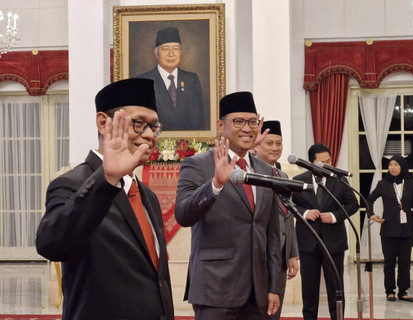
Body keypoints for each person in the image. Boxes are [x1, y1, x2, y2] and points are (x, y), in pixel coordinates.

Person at [36, 78, 174, 320]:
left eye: (154, 126)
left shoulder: (148, 196)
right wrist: (107, 180)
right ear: (103, 122)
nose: (150, 135)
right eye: (139, 124)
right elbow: (51, 244)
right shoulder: (73, 183)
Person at [175, 91, 282, 319]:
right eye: (238, 121)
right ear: (220, 125)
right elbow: (183, 215)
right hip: (215, 290)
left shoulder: (266, 171)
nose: (247, 128)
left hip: (258, 293)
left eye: (252, 122)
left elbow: (272, 234)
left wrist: (274, 286)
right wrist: (215, 184)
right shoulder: (197, 165)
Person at [292, 143, 359, 320]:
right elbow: (288, 204)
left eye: (328, 161)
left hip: (334, 242)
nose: (326, 165)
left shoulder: (339, 179)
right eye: (321, 162)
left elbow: (353, 205)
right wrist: (305, 213)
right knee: (309, 288)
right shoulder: (299, 179)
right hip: (308, 242)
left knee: (335, 287)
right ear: (311, 163)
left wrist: (334, 215)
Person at [253, 120, 299, 320]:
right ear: (257, 144)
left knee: (274, 313)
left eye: (278, 143)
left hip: (279, 259)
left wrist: (292, 254)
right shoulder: (252, 175)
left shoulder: (282, 176)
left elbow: (288, 218)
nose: (275, 148)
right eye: (269, 143)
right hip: (259, 260)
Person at [367, 155, 413, 302]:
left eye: (395, 164)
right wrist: (372, 215)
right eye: (390, 165)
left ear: (402, 166)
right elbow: (369, 199)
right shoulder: (383, 184)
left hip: (406, 230)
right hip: (388, 230)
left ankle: (403, 291)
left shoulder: (411, 184)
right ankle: (389, 291)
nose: (392, 167)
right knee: (389, 262)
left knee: (405, 262)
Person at [137, 27, 207, 131]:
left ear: (181, 52)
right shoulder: (144, 81)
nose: (171, 54)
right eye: (165, 49)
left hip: (190, 144)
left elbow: (200, 120)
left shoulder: (192, 80)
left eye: (175, 49)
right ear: (156, 53)